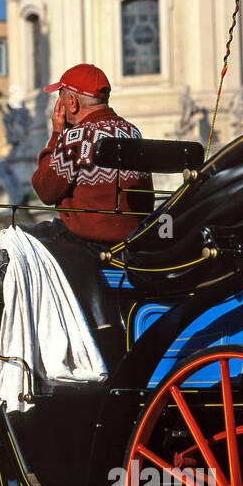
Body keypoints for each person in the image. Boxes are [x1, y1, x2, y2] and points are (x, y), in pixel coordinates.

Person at [29, 62, 152, 371]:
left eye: (61, 97)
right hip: (130, 242)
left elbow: (44, 189)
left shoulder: (77, 137)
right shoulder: (132, 131)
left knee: (23, 240)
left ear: (71, 102)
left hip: (86, 240)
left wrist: (56, 135)